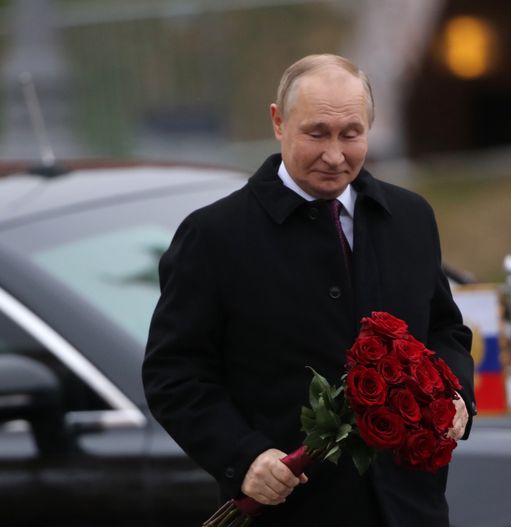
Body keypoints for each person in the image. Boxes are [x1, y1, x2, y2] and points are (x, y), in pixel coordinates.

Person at [142, 54, 476, 527]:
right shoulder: (213, 236)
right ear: (278, 123)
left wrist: (455, 394)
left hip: (410, 509)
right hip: (293, 512)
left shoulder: (410, 217)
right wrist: (246, 458)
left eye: (352, 134)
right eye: (317, 133)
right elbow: (174, 375)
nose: (335, 155)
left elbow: (444, 330)